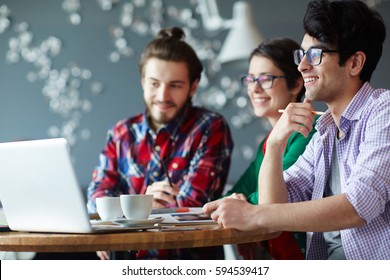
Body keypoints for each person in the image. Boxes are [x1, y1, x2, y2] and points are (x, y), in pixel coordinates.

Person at [204, 0, 389, 260]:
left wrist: (252, 214)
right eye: (301, 55)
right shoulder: (324, 132)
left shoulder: (384, 111)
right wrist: (277, 142)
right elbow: (275, 207)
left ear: (355, 63)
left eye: (315, 55)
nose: (302, 66)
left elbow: (358, 206)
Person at [87, 27, 234, 259]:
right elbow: (98, 194)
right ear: (143, 81)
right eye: (155, 83)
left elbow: (194, 206)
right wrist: (145, 203)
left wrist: (125, 211)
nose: (163, 96)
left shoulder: (210, 127)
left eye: (175, 85)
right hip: (125, 261)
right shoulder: (121, 132)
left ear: (193, 87)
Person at [224, 38, 317, 260]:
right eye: (250, 79)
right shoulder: (266, 144)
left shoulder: (307, 136)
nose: (254, 89)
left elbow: (272, 199)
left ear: (296, 84)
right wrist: (238, 201)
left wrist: (243, 203)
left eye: (265, 79)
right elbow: (232, 195)